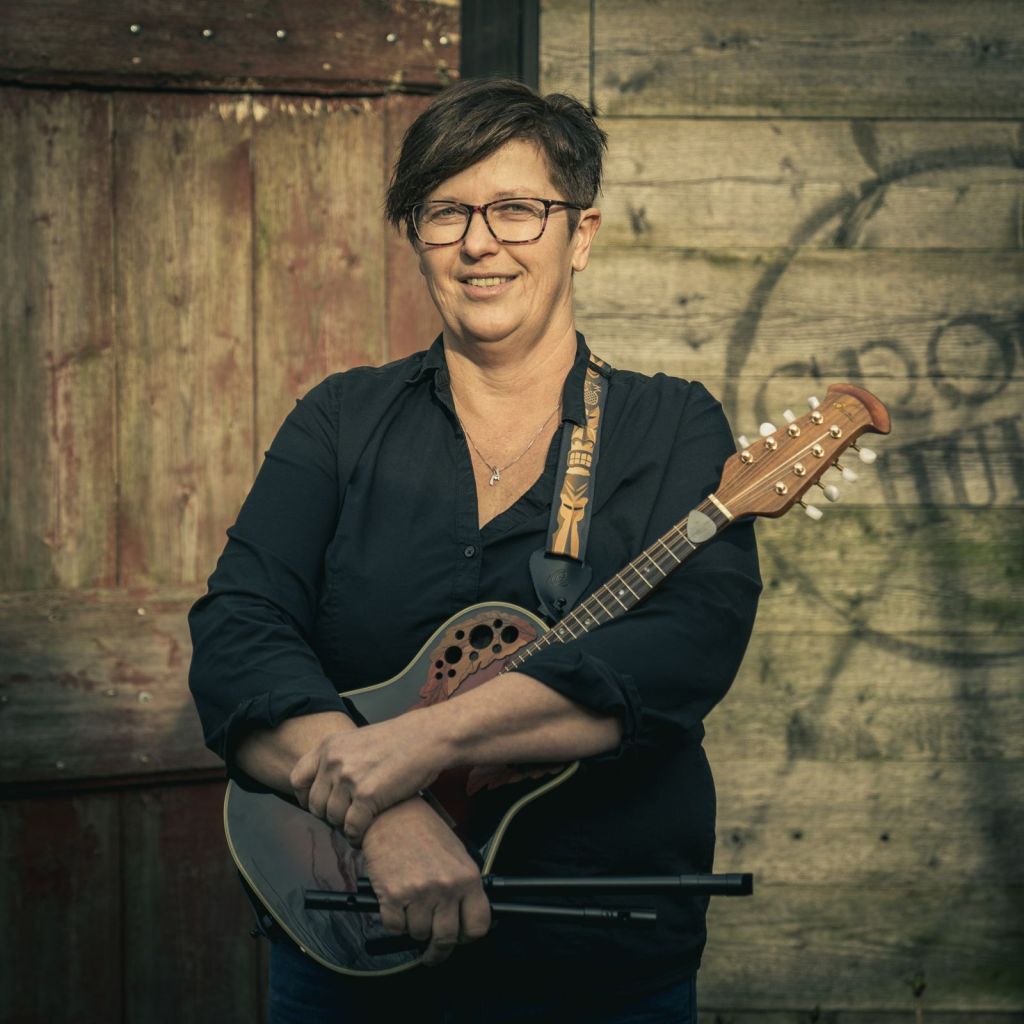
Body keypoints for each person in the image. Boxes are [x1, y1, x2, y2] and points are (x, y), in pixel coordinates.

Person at [189, 77, 761, 1023]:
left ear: (581, 234)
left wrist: (425, 741)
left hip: (600, 971)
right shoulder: (339, 419)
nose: (479, 242)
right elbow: (239, 632)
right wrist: (384, 814)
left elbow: (683, 646)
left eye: (517, 209)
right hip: (347, 948)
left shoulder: (672, 426)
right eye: (445, 211)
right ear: (417, 238)